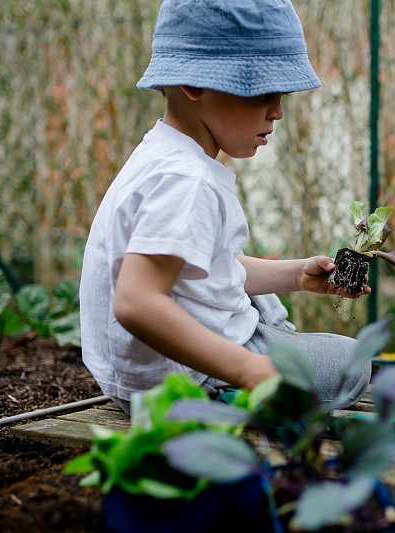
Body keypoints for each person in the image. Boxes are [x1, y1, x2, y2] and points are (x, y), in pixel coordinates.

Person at [79, 0, 370, 413]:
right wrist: (249, 370)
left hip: (153, 379)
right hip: (189, 382)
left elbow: (203, 277)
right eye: (264, 92)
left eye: (281, 94)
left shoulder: (161, 157)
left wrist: (296, 275)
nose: (278, 111)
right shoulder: (185, 180)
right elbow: (136, 302)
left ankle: (268, 348)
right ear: (195, 84)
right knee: (352, 363)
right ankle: (247, 386)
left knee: (269, 310)